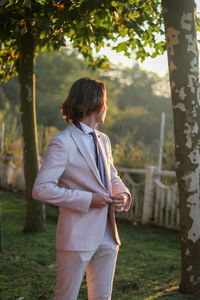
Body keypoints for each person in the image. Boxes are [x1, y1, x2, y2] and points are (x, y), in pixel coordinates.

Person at [32, 77, 132, 300]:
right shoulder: (62, 142)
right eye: (105, 102)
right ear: (95, 104)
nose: (107, 107)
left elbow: (111, 175)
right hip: (76, 236)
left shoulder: (104, 140)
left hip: (108, 235)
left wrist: (123, 194)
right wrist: (88, 199)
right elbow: (41, 189)